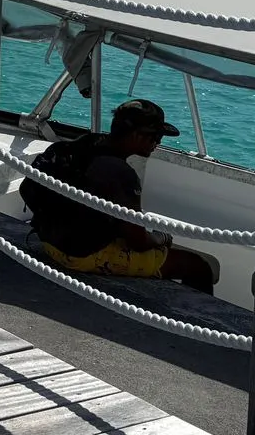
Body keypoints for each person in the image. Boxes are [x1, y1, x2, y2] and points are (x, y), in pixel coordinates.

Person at [18, 98, 216, 292]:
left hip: (49, 241)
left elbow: (27, 189)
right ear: (136, 136)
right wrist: (160, 238)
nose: (157, 143)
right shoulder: (121, 173)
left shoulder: (82, 145)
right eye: (155, 137)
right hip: (80, 256)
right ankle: (196, 324)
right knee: (198, 267)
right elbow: (138, 243)